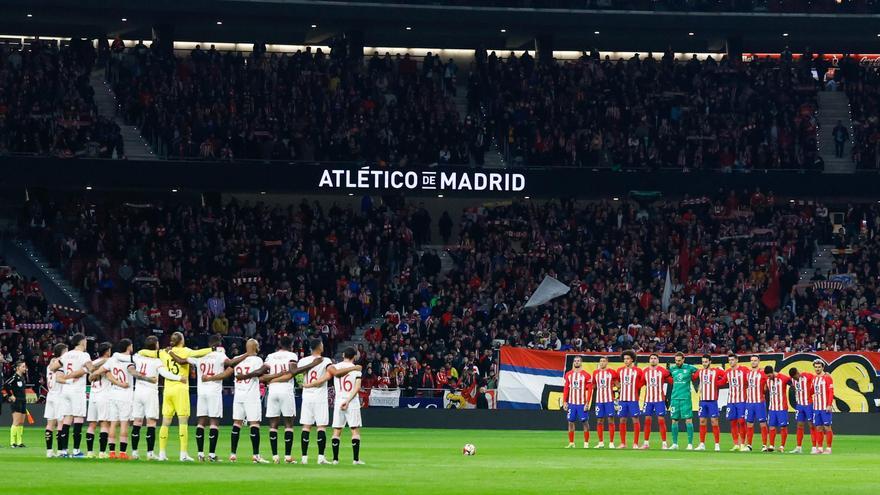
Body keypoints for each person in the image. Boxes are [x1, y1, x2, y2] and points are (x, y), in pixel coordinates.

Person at [137, 331, 213, 461]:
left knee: (165, 422)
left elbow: (142, 352)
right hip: (181, 388)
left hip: (167, 390)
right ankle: (183, 454)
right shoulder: (185, 351)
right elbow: (200, 352)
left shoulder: (162, 352)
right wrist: (213, 349)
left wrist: (144, 352)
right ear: (181, 340)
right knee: (183, 421)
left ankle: (161, 454)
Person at [259, 335, 325, 464]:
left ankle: (275, 456)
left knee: (273, 425)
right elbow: (293, 371)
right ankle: (288, 456)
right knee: (289, 424)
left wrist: (271, 379)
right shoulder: (292, 355)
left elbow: (262, 374)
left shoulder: (270, 356)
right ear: (291, 345)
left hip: (272, 391)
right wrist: (312, 364)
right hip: (286, 390)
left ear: (279, 344)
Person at [192, 334, 251, 462]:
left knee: (201, 422)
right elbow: (230, 363)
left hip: (201, 391)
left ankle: (200, 453)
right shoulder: (220, 355)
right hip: (214, 391)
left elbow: (185, 359)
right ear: (218, 344)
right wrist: (247, 354)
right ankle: (212, 454)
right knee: (214, 422)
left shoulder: (200, 356)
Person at [93, 339, 155, 459]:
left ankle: (111, 452)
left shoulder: (112, 360)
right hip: (125, 395)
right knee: (124, 424)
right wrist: (149, 379)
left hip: (113, 394)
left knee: (112, 424)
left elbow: (98, 371)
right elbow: (135, 374)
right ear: (129, 347)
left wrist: (92, 375)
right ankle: (122, 453)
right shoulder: (130, 361)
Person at [131, 336, 186, 460]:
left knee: (137, 422)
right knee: (151, 423)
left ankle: (134, 452)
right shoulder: (156, 362)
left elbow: (136, 354)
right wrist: (179, 378)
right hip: (150, 392)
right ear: (155, 345)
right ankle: (150, 453)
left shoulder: (138, 357)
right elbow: (164, 373)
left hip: (138, 391)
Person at [307, 346, 365, 465]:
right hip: (351, 401)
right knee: (354, 430)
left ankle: (335, 459)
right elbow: (357, 387)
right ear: (354, 356)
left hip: (338, 401)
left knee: (337, 431)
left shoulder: (335, 367)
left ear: (343, 355)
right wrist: (348, 400)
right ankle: (355, 460)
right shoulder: (357, 369)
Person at [227, 339, 267, 463]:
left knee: (237, 423)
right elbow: (259, 373)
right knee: (254, 424)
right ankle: (256, 455)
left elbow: (231, 366)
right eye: (258, 345)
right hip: (251, 395)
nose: (259, 347)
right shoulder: (257, 360)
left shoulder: (238, 358)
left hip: (238, 395)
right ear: (255, 347)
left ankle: (233, 454)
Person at [297, 339, 334, 464]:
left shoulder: (303, 361)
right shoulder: (326, 360)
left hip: (307, 396)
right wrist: (314, 383)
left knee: (306, 427)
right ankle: (321, 457)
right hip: (319, 396)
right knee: (321, 427)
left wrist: (303, 384)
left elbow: (298, 375)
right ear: (319, 347)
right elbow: (329, 375)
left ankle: (304, 458)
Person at [57, 334, 94, 458]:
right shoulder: (84, 355)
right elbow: (91, 368)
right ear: (82, 342)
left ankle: (63, 450)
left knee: (67, 419)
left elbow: (53, 367)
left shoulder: (66, 355)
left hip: (66, 389)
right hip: (77, 390)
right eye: (86, 340)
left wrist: (66, 376)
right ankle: (76, 451)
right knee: (78, 419)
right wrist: (88, 369)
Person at [83, 342, 111, 458]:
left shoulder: (93, 363)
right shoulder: (109, 362)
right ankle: (102, 452)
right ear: (107, 351)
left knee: (92, 424)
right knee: (104, 424)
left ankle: (89, 452)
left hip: (93, 394)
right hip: (104, 394)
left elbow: (90, 377)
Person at [692, 354, 726, 451]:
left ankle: (717, 444)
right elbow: (693, 377)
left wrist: (718, 383)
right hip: (702, 401)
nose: (704, 363)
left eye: (706, 362)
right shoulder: (700, 371)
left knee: (714, 422)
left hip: (712, 401)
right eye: (703, 362)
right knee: (702, 421)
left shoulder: (716, 371)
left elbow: (725, 376)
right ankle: (702, 444)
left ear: (710, 362)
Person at [640, 353, 671, 450]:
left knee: (661, 421)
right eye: (651, 358)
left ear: (658, 360)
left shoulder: (663, 371)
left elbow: (671, 378)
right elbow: (642, 383)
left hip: (659, 400)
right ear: (649, 360)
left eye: (655, 358)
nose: (653, 360)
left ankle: (664, 443)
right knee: (647, 421)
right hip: (648, 400)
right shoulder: (645, 371)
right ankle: (646, 443)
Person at [562, 356, 593, 449]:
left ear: (581, 363)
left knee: (585, 422)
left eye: (578, 361)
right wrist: (564, 401)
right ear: (573, 363)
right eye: (575, 361)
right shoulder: (568, 374)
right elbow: (566, 388)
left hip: (581, 403)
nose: (576, 362)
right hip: (571, 403)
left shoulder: (586, 375)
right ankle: (571, 443)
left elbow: (590, 390)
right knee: (570, 422)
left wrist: (587, 403)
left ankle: (586, 443)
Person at [667, 352, 697, 450]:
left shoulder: (689, 368)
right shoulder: (672, 368)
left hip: (685, 398)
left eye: (679, 360)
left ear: (683, 360)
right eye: (676, 360)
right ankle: (675, 443)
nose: (677, 362)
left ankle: (690, 444)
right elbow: (666, 376)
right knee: (674, 421)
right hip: (675, 397)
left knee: (688, 420)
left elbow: (699, 373)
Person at [616, 350, 644, 449]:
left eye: (628, 359)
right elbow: (616, 381)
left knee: (635, 419)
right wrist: (619, 387)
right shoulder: (620, 370)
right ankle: (623, 443)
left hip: (633, 399)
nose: (626, 361)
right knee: (622, 420)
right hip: (622, 399)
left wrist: (636, 388)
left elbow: (643, 381)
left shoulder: (638, 371)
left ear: (632, 359)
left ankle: (635, 443)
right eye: (624, 359)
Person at [43, 343, 66, 457]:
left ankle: (49, 451)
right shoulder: (60, 364)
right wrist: (71, 381)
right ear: (62, 352)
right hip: (59, 396)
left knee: (50, 425)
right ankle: (61, 451)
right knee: (60, 424)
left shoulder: (49, 365)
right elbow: (59, 378)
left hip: (50, 395)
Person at [743, 355, 769, 452]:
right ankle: (749, 445)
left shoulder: (763, 373)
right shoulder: (748, 373)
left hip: (760, 402)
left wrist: (764, 388)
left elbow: (768, 385)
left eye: (755, 360)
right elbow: (745, 384)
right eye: (752, 360)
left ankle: (764, 445)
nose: (753, 362)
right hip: (749, 403)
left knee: (762, 424)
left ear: (759, 361)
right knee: (749, 424)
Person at [591, 356, 618, 448]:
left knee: (610, 420)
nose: (602, 363)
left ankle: (611, 442)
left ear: (607, 362)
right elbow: (593, 385)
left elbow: (618, 385)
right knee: (599, 420)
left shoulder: (612, 372)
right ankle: (601, 442)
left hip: (609, 400)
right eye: (600, 361)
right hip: (599, 400)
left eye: (603, 361)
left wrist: (619, 395)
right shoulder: (595, 373)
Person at [724, 353, 748, 451]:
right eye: (729, 360)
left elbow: (750, 380)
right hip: (731, 400)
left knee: (741, 421)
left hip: (741, 400)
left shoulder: (744, 370)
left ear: (737, 360)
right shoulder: (728, 372)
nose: (731, 362)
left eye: (732, 360)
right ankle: (736, 444)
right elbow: (722, 382)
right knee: (733, 422)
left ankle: (743, 443)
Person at [789, 367, 816, 454]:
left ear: (798, 372)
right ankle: (798, 447)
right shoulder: (793, 380)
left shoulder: (807, 376)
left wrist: (825, 375)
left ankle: (814, 447)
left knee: (811, 425)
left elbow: (817, 378)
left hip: (808, 404)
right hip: (799, 405)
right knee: (799, 425)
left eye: (795, 377)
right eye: (793, 378)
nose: (795, 379)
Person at [765, 366, 791, 453]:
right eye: (767, 376)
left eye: (769, 375)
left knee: (783, 427)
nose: (768, 377)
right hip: (772, 408)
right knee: (771, 426)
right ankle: (771, 445)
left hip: (782, 408)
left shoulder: (783, 378)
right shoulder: (768, 380)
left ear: (773, 372)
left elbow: (793, 382)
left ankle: (782, 446)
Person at [811, 359, 834, 454]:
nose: (817, 369)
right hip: (816, 407)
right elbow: (812, 391)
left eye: (819, 367)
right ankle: (819, 448)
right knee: (818, 427)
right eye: (816, 367)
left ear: (823, 367)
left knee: (827, 427)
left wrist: (829, 404)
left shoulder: (827, 378)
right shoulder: (814, 378)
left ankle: (828, 448)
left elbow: (831, 392)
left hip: (825, 407)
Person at [3, 360, 28, 448]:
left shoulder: (22, 378)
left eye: (25, 366)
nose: (25, 368)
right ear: (18, 368)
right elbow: (5, 385)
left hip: (23, 401)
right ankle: (12, 442)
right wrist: (11, 395)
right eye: (23, 367)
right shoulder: (14, 377)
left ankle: (19, 442)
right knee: (16, 422)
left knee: (21, 422)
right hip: (16, 401)